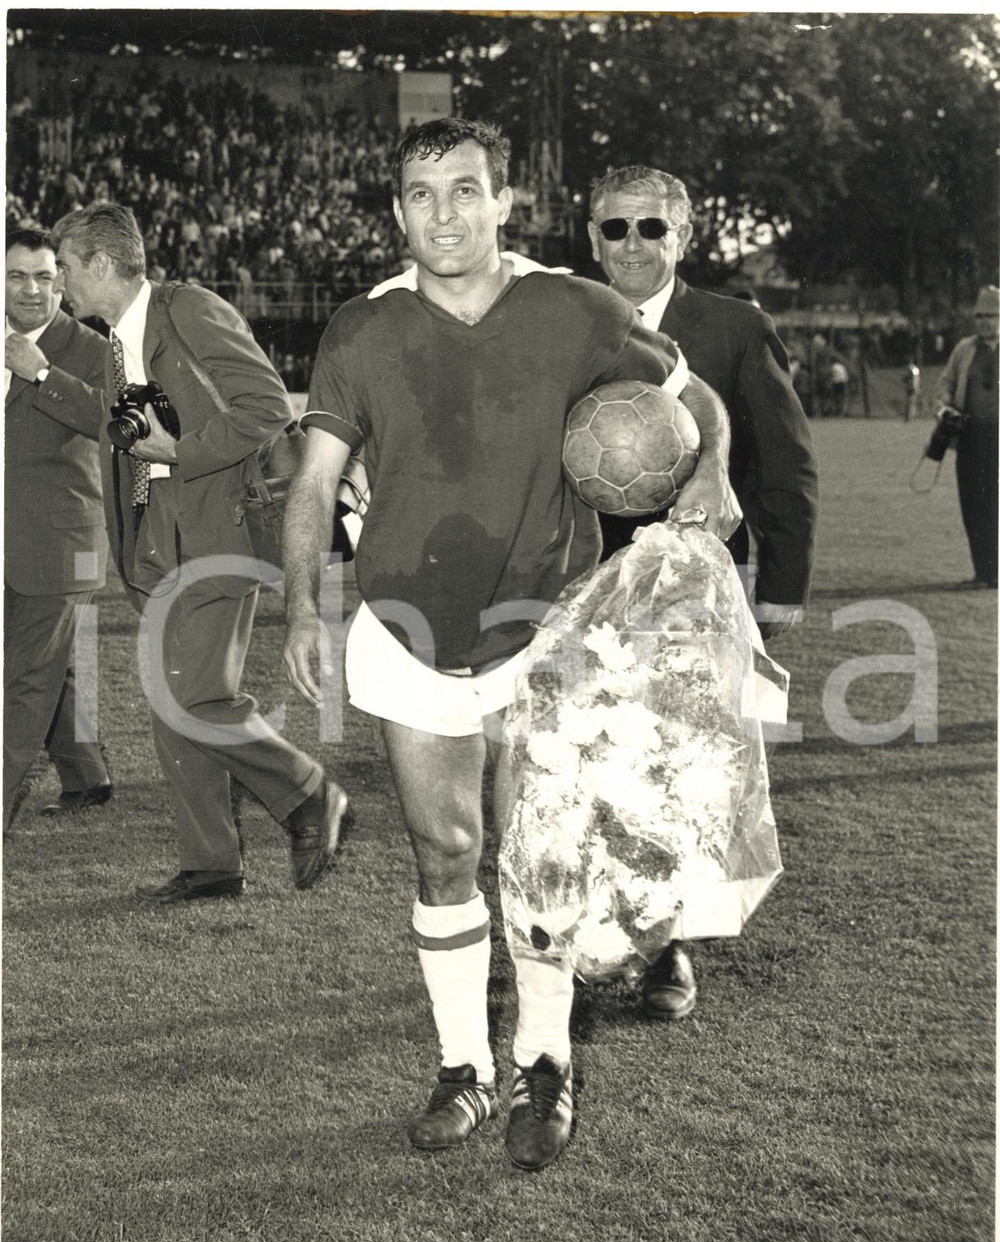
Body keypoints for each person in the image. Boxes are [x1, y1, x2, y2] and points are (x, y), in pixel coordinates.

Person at [282, 118, 740, 1172]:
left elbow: (694, 398)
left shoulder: (574, 310)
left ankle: (544, 1064)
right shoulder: (360, 328)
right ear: (398, 213)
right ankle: (462, 1070)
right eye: (422, 194)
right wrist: (303, 606)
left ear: (504, 203)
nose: (445, 212)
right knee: (444, 853)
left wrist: (709, 465)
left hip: (543, 630)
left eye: (466, 189)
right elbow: (312, 482)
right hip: (405, 628)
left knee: (538, 865)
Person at [49, 202, 349, 903]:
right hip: (158, 539)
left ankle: (309, 795)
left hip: (216, 535)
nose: (60, 282)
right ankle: (211, 862)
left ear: (99, 262)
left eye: (65, 266)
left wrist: (180, 453)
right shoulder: (118, 340)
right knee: (169, 698)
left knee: (193, 697)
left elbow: (267, 406)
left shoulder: (188, 310)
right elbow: (115, 426)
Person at [588, 165, 818, 1025]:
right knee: (592, 762)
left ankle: (668, 946)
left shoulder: (734, 327)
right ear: (591, 237)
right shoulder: (564, 325)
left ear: (683, 238)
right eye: (615, 229)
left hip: (694, 593)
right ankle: (600, 932)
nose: (634, 245)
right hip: (580, 587)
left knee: (671, 767)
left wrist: (780, 597)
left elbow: (786, 464)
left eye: (653, 228)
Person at [4, 226, 113, 831]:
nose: (31, 290)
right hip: (7, 538)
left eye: (44, 277)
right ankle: (86, 772)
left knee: (25, 679)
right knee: (47, 666)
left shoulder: (91, 349)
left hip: (61, 542)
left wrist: (42, 374)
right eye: (17, 275)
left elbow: (113, 422)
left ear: (62, 283)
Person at [935, 285, 999, 589]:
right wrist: (945, 407)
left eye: (992, 315)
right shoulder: (965, 349)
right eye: (981, 316)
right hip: (971, 436)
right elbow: (945, 382)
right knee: (973, 504)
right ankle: (983, 573)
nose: (986, 321)